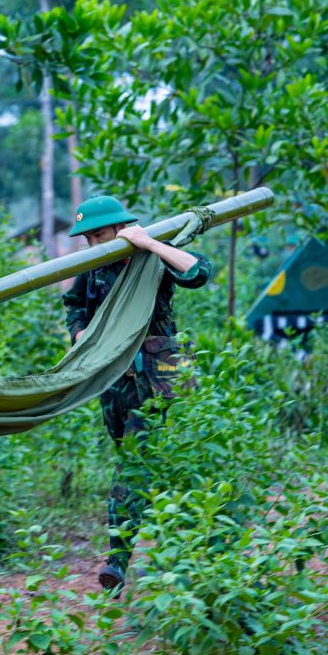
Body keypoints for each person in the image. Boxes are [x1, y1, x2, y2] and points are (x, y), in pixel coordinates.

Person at [62, 195, 211, 593]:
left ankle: (118, 560)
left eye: (99, 235)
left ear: (121, 227)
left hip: (157, 380)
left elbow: (198, 272)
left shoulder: (152, 255)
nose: (94, 244)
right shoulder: (93, 267)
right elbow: (73, 304)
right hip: (114, 379)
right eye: (88, 238)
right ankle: (169, 535)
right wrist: (80, 334)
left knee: (134, 464)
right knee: (140, 467)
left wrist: (148, 243)